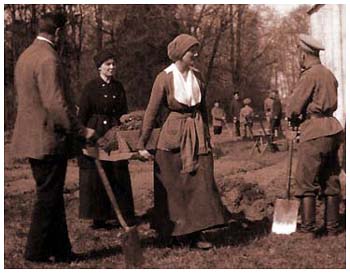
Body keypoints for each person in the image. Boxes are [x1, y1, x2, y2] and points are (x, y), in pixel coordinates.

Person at [11, 12, 95, 263]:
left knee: (52, 195)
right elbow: (54, 103)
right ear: (58, 32)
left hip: (31, 137)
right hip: (47, 139)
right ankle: (35, 252)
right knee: (48, 197)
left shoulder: (26, 55)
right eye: (64, 33)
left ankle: (61, 251)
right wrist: (81, 130)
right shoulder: (49, 58)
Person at [137, 34, 226, 249]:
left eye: (196, 50)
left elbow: (203, 109)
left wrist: (205, 135)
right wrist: (142, 143)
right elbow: (151, 112)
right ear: (179, 54)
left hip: (196, 134)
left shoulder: (198, 76)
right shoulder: (164, 77)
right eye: (191, 51)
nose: (195, 54)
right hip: (172, 138)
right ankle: (173, 232)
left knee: (199, 184)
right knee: (174, 187)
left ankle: (196, 233)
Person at [287, 34, 344, 236]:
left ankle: (308, 228)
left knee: (305, 181)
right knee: (330, 179)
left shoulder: (309, 75)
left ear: (303, 55)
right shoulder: (329, 74)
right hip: (334, 129)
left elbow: (294, 106)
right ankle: (332, 226)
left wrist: (293, 119)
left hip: (314, 130)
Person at [77, 49, 135, 229]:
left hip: (114, 130)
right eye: (107, 64)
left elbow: (123, 112)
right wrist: (86, 134)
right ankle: (98, 216)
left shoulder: (118, 87)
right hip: (96, 131)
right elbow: (82, 116)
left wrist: (125, 126)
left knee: (117, 169)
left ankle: (120, 214)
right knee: (97, 173)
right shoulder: (90, 87)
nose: (111, 67)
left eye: (113, 64)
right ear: (99, 67)